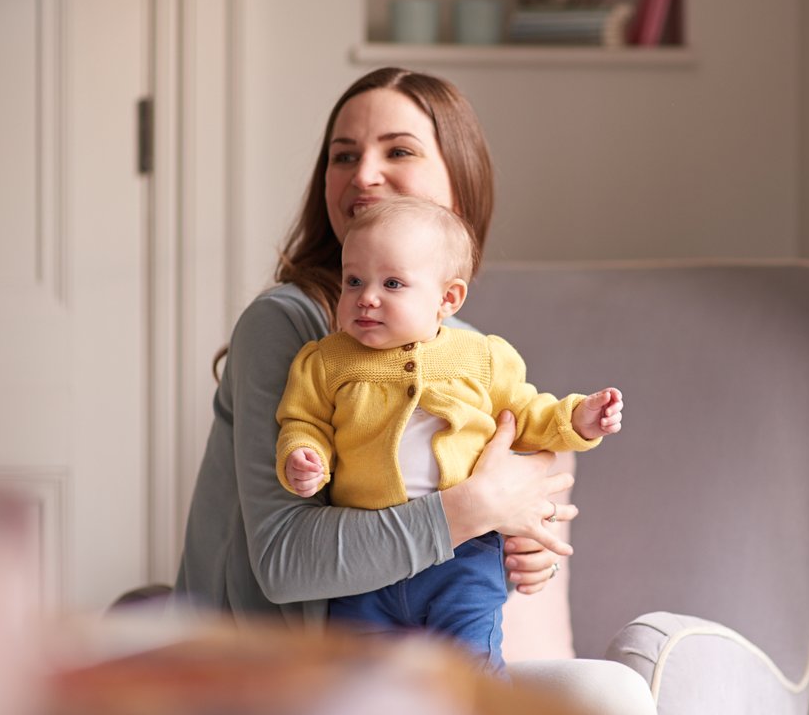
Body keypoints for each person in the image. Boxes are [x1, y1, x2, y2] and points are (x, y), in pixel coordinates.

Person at [174, 67, 579, 631]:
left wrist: (517, 551)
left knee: (609, 697)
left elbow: (444, 545)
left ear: (458, 184)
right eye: (343, 157)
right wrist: (474, 508)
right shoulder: (286, 324)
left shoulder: (464, 351)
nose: (363, 175)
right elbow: (285, 562)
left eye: (399, 152)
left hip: (404, 664)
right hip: (257, 675)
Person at [277, 196, 623, 670]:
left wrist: (578, 418)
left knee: (472, 671)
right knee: (357, 686)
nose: (366, 296)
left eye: (392, 283)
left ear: (448, 299)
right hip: (367, 564)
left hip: (464, 558)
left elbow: (525, 413)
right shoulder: (326, 361)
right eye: (353, 281)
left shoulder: (481, 357)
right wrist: (302, 455)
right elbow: (304, 421)